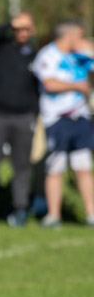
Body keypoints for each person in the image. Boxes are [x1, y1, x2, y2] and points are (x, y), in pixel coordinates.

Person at [0, 13, 39, 229]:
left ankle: (20, 209)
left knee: (21, 166)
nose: (22, 33)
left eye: (26, 29)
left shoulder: (35, 55)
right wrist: (10, 22)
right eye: (18, 29)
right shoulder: (0, 48)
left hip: (23, 117)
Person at [31, 20, 94, 227]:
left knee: (83, 166)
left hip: (81, 118)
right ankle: (54, 214)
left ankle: (91, 213)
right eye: (79, 35)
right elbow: (50, 84)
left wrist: (90, 48)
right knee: (55, 167)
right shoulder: (47, 55)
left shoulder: (80, 55)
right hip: (58, 118)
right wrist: (77, 86)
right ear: (68, 35)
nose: (81, 40)